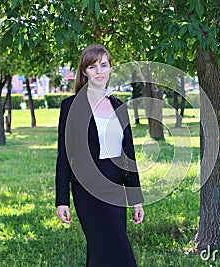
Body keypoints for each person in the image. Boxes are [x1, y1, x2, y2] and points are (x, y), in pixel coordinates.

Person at [55, 44, 144, 267]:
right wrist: (61, 200)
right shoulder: (71, 106)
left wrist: (135, 199)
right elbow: (63, 154)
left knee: (101, 255)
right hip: (87, 191)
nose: (99, 71)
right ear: (84, 71)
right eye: (93, 67)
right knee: (119, 255)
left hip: (115, 189)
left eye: (104, 65)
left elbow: (127, 155)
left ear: (110, 68)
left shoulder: (119, 106)